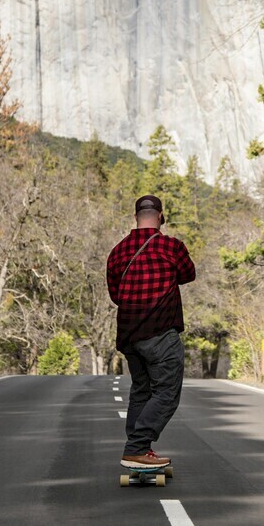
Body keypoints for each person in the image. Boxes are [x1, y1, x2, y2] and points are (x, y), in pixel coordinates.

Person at [106, 194, 196, 468]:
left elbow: (116, 296)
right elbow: (188, 274)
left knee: (141, 391)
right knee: (166, 392)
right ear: (160, 216)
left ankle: (138, 450)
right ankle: (136, 448)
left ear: (135, 218)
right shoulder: (171, 247)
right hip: (160, 334)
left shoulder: (117, 252)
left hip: (130, 337)